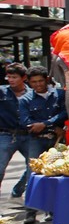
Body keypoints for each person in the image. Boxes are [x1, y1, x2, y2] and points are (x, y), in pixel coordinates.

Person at [16, 66, 67, 224]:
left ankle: (51, 210)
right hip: (36, 140)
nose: (38, 85)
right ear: (29, 83)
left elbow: (65, 113)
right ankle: (30, 212)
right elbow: (25, 121)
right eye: (33, 82)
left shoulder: (59, 94)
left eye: (40, 81)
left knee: (55, 174)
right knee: (34, 174)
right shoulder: (25, 100)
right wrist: (50, 125)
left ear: (47, 79)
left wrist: (46, 124)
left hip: (56, 140)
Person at [0, 64, 32, 208]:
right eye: (9, 77)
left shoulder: (32, 94)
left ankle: (17, 192)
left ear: (24, 78)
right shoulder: (1, 92)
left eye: (14, 77)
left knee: (34, 167)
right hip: (6, 134)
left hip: (28, 135)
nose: (10, 80)